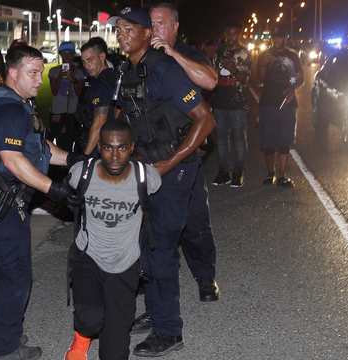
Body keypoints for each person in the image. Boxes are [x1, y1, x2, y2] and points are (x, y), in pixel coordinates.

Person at [0, 45, 86, 360]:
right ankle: (5, 348)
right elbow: (14, 160)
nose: (39, 80)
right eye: (32, 73)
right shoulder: (8, 109)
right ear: (12, 73)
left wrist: (71, 158)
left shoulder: (16, 104)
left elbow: (37, 146)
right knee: (13, 274)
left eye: (41, 72)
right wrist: (55, 191)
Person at [108, 6, 216, 357]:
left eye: (130, 28)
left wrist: (169, 163)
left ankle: (169, 331)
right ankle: (157, 312)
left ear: (145, 35)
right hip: (146, 168)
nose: (122, 33)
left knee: (161, 247)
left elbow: (205, 120)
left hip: (174, 169)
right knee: (147, 245)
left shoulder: (165, 69)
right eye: (118, 28)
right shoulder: (128, 70)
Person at [64, 119, 162, 360]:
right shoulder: (81, 174)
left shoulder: (147, 178)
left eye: (121, 148)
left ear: (131, 147)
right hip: (89, 257)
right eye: (108, 148)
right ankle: (81, 338)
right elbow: (65, 195)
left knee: (115, 351)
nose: (115, 156)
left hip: (125, 264)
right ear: (99, 147)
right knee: (90, 319)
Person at [256, 24, 304, 187]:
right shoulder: (264, 54)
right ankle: (271, 173)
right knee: (268, 140)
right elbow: (260, 79)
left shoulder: (293, 55)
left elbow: (300, 78)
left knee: (285, 140)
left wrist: (292, 87)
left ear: (285, 38)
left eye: (280, 37)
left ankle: (282, 176)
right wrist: (262, 64)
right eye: (274, 37)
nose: (277, 40)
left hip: (288, 103)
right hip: (268, 102)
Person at [210, 19, 253, 187]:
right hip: (220, 102)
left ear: (240, 35)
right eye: (229, 33)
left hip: (238, 104)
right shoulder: (219, 52)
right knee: (221, 140)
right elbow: (212, 75)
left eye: (235, 34)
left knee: (239, 140)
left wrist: (234, 69)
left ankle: (239, 172)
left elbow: (245, 80)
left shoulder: (244, 54)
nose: (231, 37)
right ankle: (223, 171)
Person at [77, 38, 118, 157]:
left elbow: (99, 122)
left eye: (90, 60)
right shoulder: (114, 76)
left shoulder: (100, 85)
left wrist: (85, 156)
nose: (86, 66)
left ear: (102, 56)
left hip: (100, 147)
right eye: (83, 62)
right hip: (113, 142)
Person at [48, 41, 85, 152]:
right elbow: (54, 92)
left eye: (70, 53)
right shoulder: (54, 71)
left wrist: (73, 80)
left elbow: (79, 93)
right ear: (60, 55)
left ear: (74, 55)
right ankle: (58, 167)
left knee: (72, 141)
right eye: (64, 54)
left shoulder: (79, 72)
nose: (67, 57)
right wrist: (60, 77)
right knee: (58, 141)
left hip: (73, 112)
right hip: (57, 112)